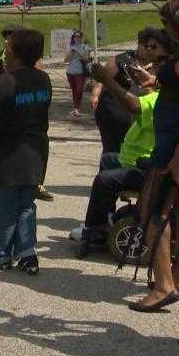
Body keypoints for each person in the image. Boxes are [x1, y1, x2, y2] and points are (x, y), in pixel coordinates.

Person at [0, 29, 51, 274]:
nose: (4, 52)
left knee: (2, 207)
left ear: (16, 54)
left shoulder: (6, 82)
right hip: (34, 152)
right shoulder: (43, 79)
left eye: (8, 48)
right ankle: (27, 252)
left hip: (4, 156)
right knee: (26, 205)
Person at [126, 0, 179, 312]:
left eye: (167, 22)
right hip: (173, 144)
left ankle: (163, 285)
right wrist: (157, 81)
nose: (165, 30)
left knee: (154, 211)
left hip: (173, 148)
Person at [70, 55, 162, 246]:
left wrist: (106, 80)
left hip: (148, 167)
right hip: (136, 158)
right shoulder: (161, 94)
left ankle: (95, 230)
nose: (149, 70)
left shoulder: (160, 99)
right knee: (107, 160)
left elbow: (133, 104)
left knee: (103, 180)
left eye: (154, 69)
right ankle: (102, 219)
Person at [91, 28, 174, 154]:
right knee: (112, 151)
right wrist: (95, 94)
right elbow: (102, 78)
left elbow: (137, 105)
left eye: (153, 46)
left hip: (140, 115)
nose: (148, 49)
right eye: (145, 45)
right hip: (114, 111)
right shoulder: (122, 60)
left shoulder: (166, 66)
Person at [65, 31, 90, 117]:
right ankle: (76, 108)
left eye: (78, 36)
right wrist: (71, 54)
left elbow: (86, 59)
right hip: (70, 72)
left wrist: (78, 53)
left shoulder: (85, 47)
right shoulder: (70, 47)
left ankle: (77, 108)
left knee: (79, 90)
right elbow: (65, 60)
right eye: (75, 36)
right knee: (74, 90)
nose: (77, 38)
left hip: (80, 72)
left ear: (81, 38)